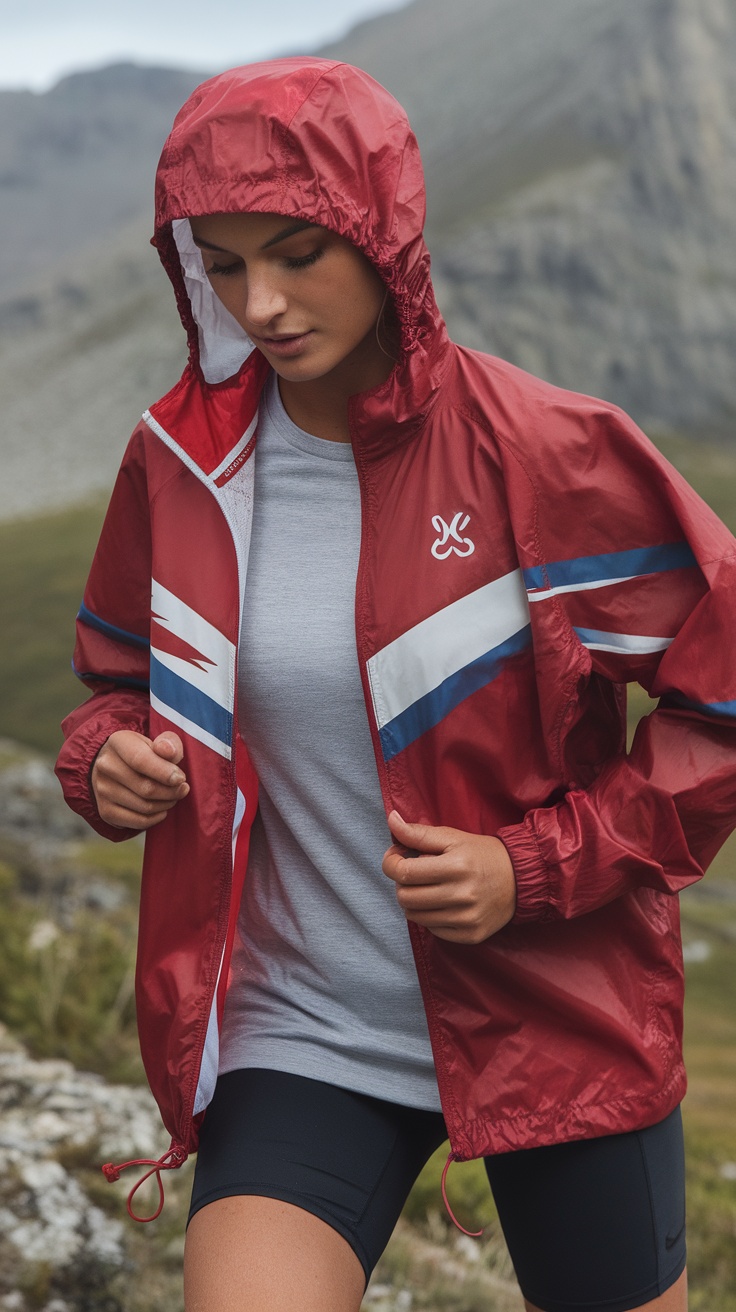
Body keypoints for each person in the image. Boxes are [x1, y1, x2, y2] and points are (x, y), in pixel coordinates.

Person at [55, 57, 736, 1312]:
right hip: (301, 1033)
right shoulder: (178, 469)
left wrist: (532, 867)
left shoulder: (546, 450)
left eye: (298, 251)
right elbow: (115, 680)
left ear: (383, 232)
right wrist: (105, 754)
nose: (260, 301)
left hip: (557, 1013)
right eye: (222, 263)